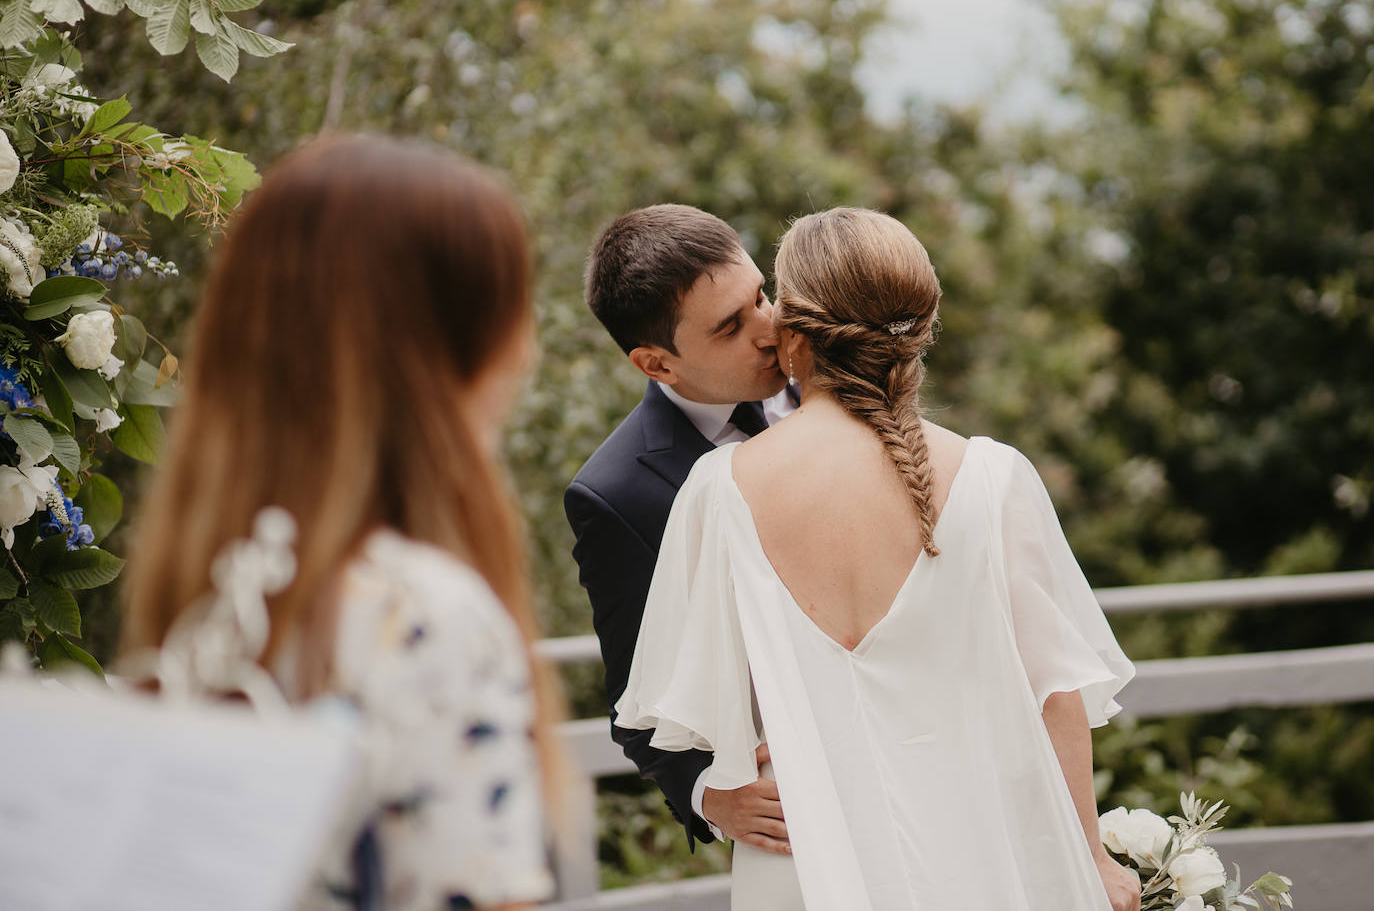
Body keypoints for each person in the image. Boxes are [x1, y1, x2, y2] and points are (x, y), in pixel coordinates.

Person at [615, 208, 1142, 910]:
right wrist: (1091, 859)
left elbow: (694, 700)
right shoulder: (995, 477)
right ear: (920, 331)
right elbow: (1056, 698)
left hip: (805, 863)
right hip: (979, 855)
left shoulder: (718, 489)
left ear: (795, 336)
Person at [121, 135, 558, 911]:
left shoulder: (208, 615)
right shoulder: (422, 618)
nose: (526, 354)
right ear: (444, 354)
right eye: (509, 315)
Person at [564, 205, 797, 857]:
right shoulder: (615, 496)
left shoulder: (832, 379)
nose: (769, 327)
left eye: (760, 295)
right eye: (730, 326)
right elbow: (633, 699)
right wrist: (709, 796)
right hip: (789, 799)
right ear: (656, 364)